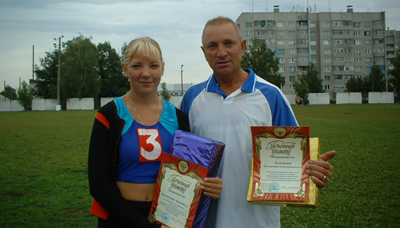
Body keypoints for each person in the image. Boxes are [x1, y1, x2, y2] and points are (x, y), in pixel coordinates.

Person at [179, 17, 336, 228]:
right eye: (212, 46)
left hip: (258, 221)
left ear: (242, 47)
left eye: (229, 43)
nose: (221, 52)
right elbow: (180, 160)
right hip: (204, 221)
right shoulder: (192, 97)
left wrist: (313, 171)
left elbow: (296, 157)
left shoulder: (271, 96)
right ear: (204, 52)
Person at [88, 37, 222, 228]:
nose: (146, 73)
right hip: (119, 218)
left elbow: (189, 171)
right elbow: (99, 183)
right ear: (125, 69)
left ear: (162, 68)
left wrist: (209, 184)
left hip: (167, 217)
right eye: (136, 66)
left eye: (153, 65)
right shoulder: (109, 116)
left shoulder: (178, 118)